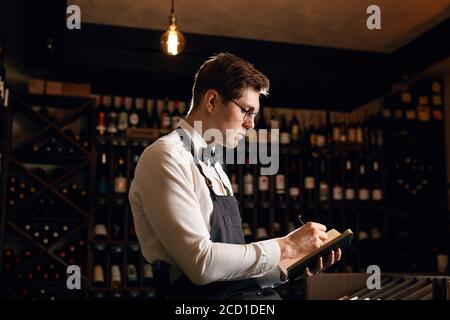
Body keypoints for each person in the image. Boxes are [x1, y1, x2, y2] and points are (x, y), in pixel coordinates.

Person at [129, 52, 341, 300]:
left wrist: (287, 266)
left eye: (254, 114)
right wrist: (287, 245)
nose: (251, 124)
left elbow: (229, 273)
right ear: (211, 101)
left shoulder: (216, 167)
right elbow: (202, 264)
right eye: (246, 111)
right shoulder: (165, 157)